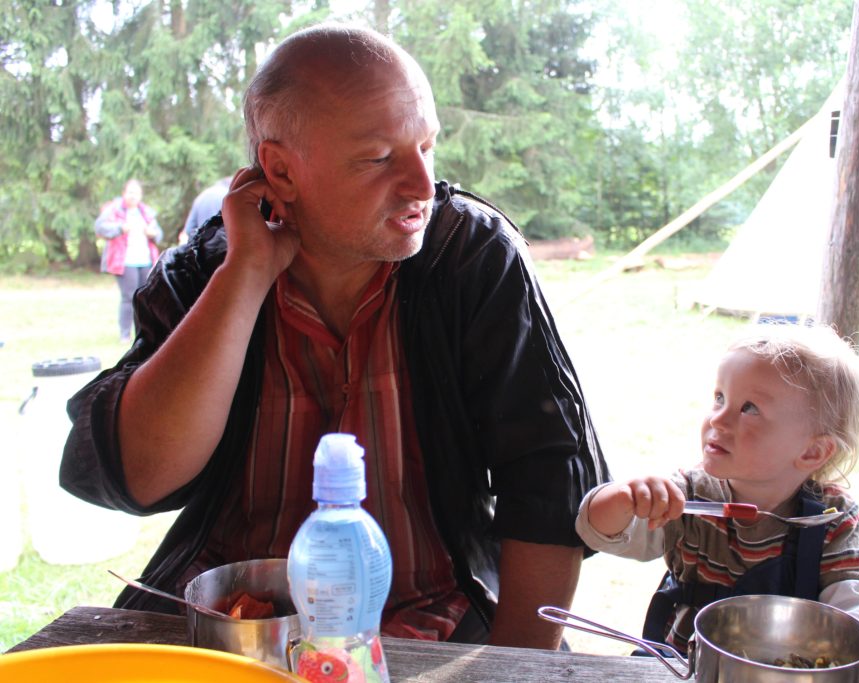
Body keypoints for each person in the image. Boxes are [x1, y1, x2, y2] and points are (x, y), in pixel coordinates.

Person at [61, 23, 608, 650]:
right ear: (280, 171)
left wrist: (510, 668)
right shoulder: (207, 273)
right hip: (239, 624)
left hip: (436, 616)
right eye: (378, 158)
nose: (422, 186)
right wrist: (245, 276)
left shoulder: (470, 259)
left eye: (426, 147)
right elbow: (138, 475)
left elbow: (548, 477)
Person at [575, 323, 859, 647]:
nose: (717, 419)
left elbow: (851, 618)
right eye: (719, 398)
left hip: (787, 666)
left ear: (812, 451)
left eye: (749, 409)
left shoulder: (831, 518)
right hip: (682, 664)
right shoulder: (688, 495)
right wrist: (623, 499)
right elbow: (598, 532)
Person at [93, 179, 164, 342]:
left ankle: (144, 333)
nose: (133, 196)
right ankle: (125, 334)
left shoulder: (146, 212)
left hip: (145, 260)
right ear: (124, 193)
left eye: (137, 193)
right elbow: (99, 227)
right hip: (125, 261)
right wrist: (120, 228)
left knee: (145, 297)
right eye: (130, 192)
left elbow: (159, 234)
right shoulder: (114, 210)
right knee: (129, 296)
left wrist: (152, 233)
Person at [179, 176, 231, 243]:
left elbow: (188, 230)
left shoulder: (202, 196)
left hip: (203, 246)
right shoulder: (230, 196)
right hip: (225, 245)